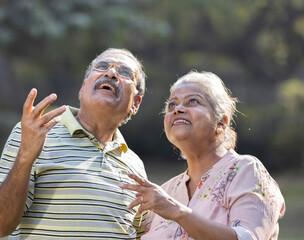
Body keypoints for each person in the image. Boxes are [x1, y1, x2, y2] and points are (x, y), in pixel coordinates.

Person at [0, 48, 148, 239]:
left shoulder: (135, 166)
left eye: (125, 73)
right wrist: (25, 157)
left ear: (136, 103)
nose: (111, 73)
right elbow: (0, 226)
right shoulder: (36, 132)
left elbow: (140, 234)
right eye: (102, 66)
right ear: (83, 87)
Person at [120, 71, 285, 240]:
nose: (177, 109)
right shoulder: (165, 191)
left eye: (193, 101)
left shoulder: (245, 171)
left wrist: (177, 212)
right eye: (172, 105)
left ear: (221, 123)